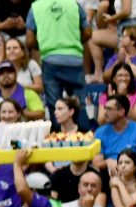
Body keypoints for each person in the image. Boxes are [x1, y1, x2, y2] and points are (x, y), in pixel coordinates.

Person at [26, 0, 90, 128]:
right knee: (79, 103)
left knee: (55, 104)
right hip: (74, 59)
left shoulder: (36, 7)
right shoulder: (74, 4)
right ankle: (85, 135)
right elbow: (88, 32)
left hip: (50, 61)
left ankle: (57, 137)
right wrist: (75, 42)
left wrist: (44, 47)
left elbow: (30, 40)